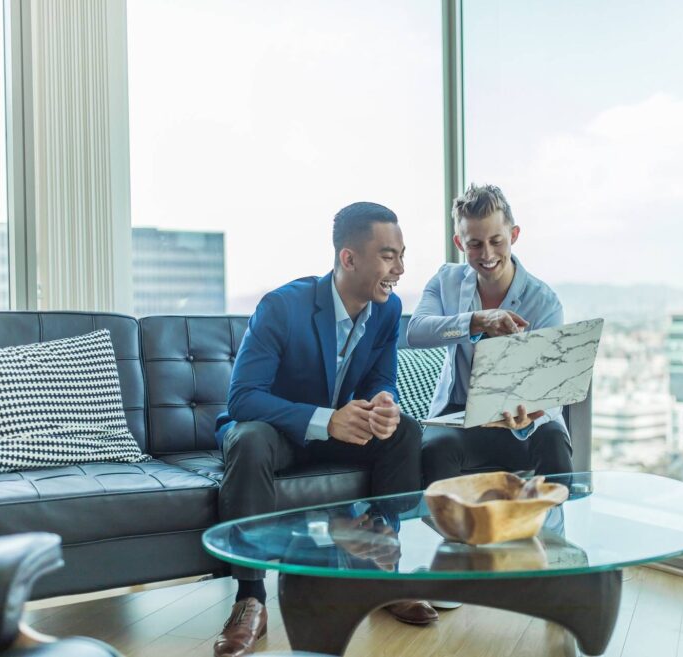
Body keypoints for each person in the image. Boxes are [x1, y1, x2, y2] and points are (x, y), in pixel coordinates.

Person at [213, 202, 432, 657]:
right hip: (277, 434)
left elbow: (380, 378)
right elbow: (243, 399)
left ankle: (381, 571)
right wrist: (324, 419)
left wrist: (384, 401)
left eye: (402, 254)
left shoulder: (388, 311)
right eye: (389, 255)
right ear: (349, 258)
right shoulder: (282, 306)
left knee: (404, 431)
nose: (401, 268)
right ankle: (250, 599)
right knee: (249, 440)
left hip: (340, 433)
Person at [407, 184, 574, 488]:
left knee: (552, 440)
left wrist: (530, 416)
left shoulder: (544, 301)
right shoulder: (446, 281)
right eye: (475, 244)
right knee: (435, 449)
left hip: (521, 420)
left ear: (514, 235)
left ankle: (554, 533)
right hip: (459, 417)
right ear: (459, 242)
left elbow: (551, 389)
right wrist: (476, 321)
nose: (487, 254)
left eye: (497, 241)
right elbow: (416, 331)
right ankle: (451, 535)